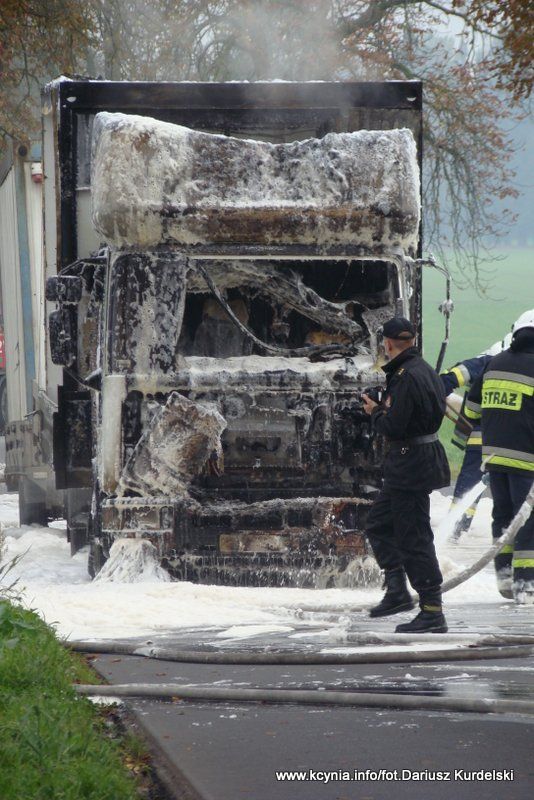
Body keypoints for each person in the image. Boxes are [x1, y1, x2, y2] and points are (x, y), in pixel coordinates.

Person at [362, 316, 450, 633]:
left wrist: (375, 412)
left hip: (411, 464)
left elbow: (394, 426)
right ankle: (397, 590)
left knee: (414, 538)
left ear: (386, 344)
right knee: (379, 523)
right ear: (411, 341)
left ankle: (431, 611)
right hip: (413, 463)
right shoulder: (423, 370)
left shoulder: (405, 376)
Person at [466, 310, 534, 603]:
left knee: (503, 517)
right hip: (527, 460)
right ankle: (526, 585)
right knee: (528, 522)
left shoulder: (495, 363)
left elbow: (470, 412)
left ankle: (505, 577)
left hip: (494, 457)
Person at [440, 334, 511, 539]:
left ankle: (455, 530)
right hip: (517, 442)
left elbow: (449, 378)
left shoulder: (486, 362)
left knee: (470, 482)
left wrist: (437, 392)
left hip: (481, 438)